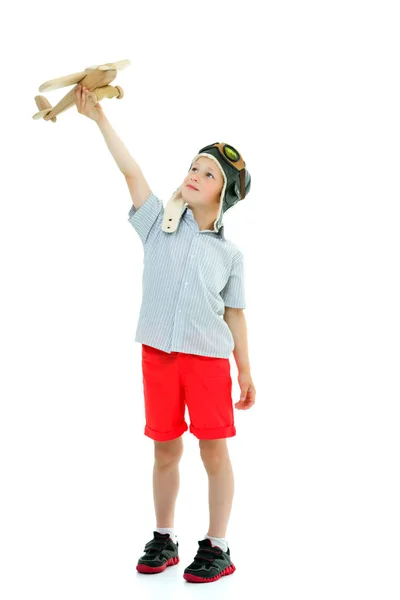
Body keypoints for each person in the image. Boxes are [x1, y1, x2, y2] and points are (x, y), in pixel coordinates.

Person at [74, 84, 256, 583]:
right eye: (193, 167)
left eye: (209, 173)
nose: (194, 176)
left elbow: (235, 315)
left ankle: (218, 545)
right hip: (158, 357)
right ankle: (164, 536)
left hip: (207, 363)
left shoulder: (230, 255)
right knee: (165, 448)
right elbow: (131, 171)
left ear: (227, 191)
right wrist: (99, 120)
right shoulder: (158, 224)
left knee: (213, 450)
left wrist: (245, 371)